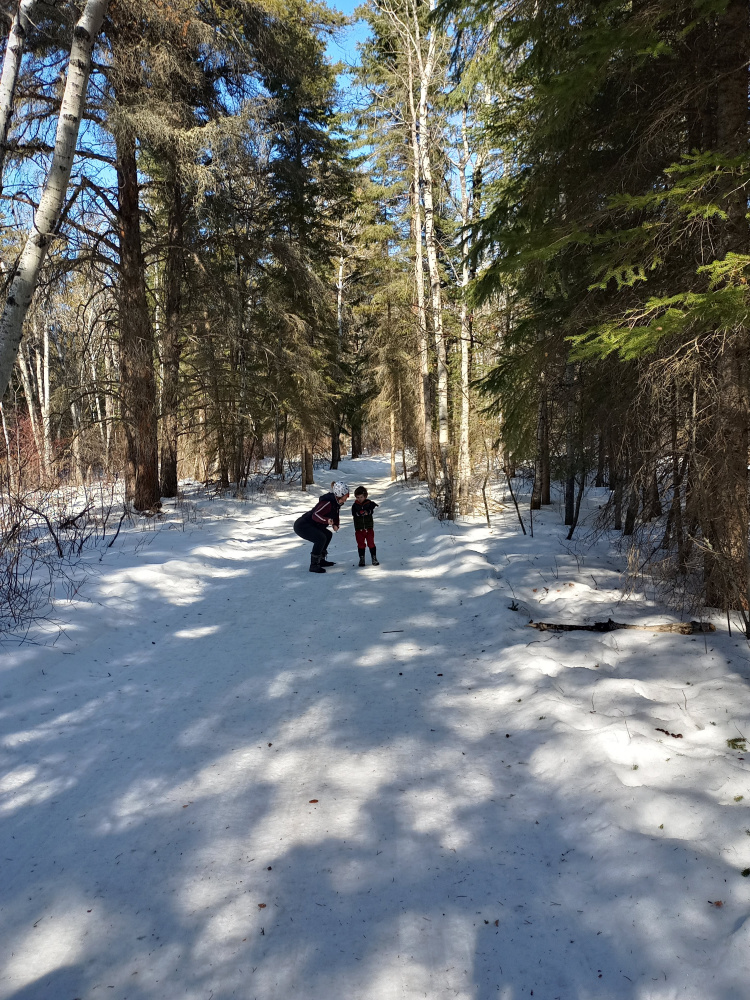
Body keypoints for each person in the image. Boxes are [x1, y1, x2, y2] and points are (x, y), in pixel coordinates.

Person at [294, 481, 350, 573]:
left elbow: (336, 515)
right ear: (340, 495)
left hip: (312, 525)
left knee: (328, 534)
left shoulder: (336, 503)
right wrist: (326, 520)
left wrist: (336, 524)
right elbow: (315, 515)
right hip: (302, 525)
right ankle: (314, 565)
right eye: (346, 496)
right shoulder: (327, 502)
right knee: (320, 538)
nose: (346, 499)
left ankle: (321, 560)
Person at [351, 486, 379, 566]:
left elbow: (371, 511)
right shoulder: (355, 506)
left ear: (365, 496)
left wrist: (367, 512)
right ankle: (362, 558)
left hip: (369, 528)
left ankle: (374, 557)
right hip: (359, 529)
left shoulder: (369, 504)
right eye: (357, 497)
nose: (359, 499)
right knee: (361, 544)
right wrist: (358, 513)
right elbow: (353, 513)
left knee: (371, 543)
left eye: (361, 497)